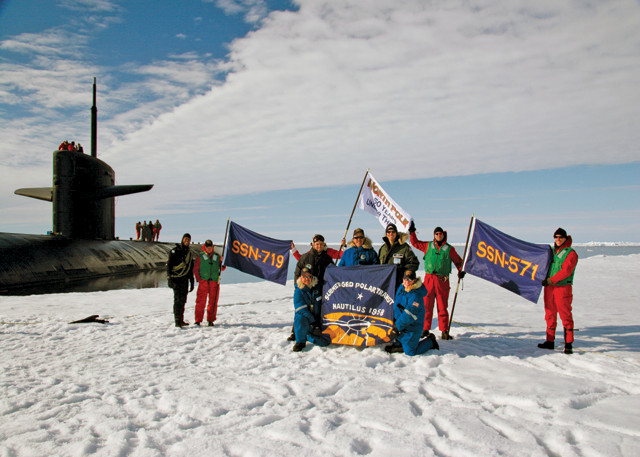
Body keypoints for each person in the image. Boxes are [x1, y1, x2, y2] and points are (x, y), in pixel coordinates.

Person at [409, 222, 464, 340]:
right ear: (434, 235)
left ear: (443, 235)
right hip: (429, 279)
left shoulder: (449, 249)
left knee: (442, 306)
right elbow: (415, 243)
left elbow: (458, 262)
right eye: (436, 234)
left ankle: (444, 330)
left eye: (440, 234)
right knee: (427, 305)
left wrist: (461, 270)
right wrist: (412, 232)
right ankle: (425, 329)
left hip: (442, 281)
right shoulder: (428, 246)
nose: (438, 235)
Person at [288, 234, 337, 341]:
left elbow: (333, 272)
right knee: (301, 310)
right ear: (313, 244)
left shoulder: (327, 258)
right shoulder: (306, 257)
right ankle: (295, 333)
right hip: (306, 289)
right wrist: (298, 286)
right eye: (317, 244)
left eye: (321, 244)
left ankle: (317, 330)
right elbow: (298, 271)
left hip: (320, 289)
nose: (319, 246)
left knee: (318, 310)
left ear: (324, 244)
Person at [539, 228, 578, 354]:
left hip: (562, 288)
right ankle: (550, 341)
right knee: (550, 314)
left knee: (565, 315)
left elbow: (566, 271)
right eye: (556, 237)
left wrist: (551, 280)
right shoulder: (551, 252)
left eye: (561, 237)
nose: (558, 239)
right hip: (549, 288)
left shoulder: (571, 253)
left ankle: (568, 344)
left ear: (566, 238)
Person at [385, 270, 439, 355]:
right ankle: (399, 343)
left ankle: (430, 341)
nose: (406, 282)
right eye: (405, 279)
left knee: (410, 352)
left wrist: (397, 327)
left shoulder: (416, 296)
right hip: (401, 324)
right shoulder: (402, 287)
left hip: (412, 327)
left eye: (409, 280)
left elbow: (409, 315)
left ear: (414, 280)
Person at [292, 268, 331, 352]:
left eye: (309, 276)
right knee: (300, 318)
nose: (307, 279)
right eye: (304, 276)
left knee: (325, 343)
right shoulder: (299, 291)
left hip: (318, 320)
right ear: (301, 278)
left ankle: (309, 336)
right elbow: (301, 309)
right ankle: (300, 342)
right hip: (308, 321)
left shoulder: (318, 288)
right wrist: (313, 323)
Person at [378, 223, 419, 292]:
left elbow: (413, 262)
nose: (391, 234)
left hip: (400, 283)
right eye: (389, 232)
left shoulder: (404, 247)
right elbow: (378, 265)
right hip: (386, 283)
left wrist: (408, 273)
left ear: (396, 233)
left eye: (393, 232)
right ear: (386, 234)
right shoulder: (382, 249)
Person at [194, 240, 224, 327]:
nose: (209, 249)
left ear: (212, 247)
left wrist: (223, 263)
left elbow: (222, 268)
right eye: (207, 247)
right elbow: (196, 269)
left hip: (214, 282)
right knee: (200, 302)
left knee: (213, 302)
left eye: (210, 247)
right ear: (205, 247)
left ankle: (210, 320)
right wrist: (199, 280)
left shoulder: (217, 256)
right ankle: (198, 320)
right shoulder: (200, 256)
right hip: (204, 282)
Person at [167, 233, 195, 327]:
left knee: (183, 300)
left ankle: (181, 319)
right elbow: (169, 265)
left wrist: (191, 281)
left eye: (188, 239)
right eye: (185, 239)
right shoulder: (175, 251)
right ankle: (177, 320)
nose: (187, 241)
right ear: (182, 239)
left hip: (184, 280)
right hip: (176, 279)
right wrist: (169, 278)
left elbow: (190, 268)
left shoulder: (189, 253)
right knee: (177, 300)